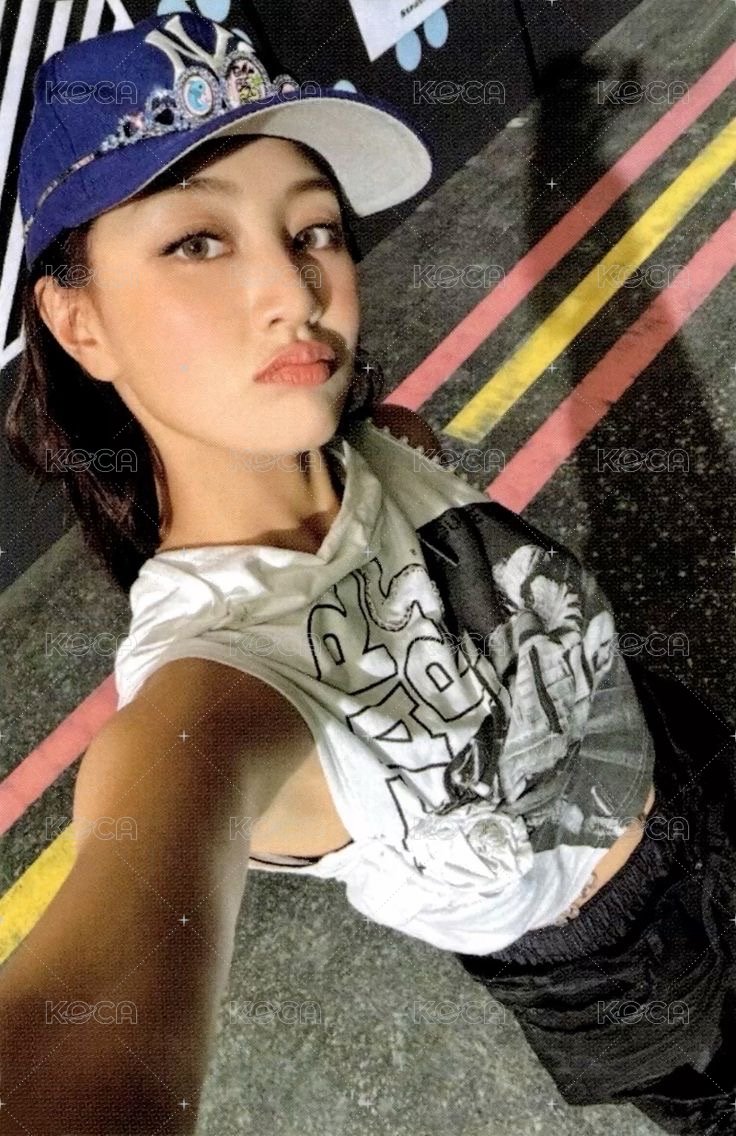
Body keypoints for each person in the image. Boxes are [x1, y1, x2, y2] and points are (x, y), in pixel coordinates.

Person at [2, 10, 735, 1135]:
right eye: (196, 242)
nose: (295, 292)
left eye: (314, 229)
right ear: (77, 320)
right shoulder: (215, 689)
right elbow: (92, 1012)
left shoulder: (378, 441)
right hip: (635, 977)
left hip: (683, 757)